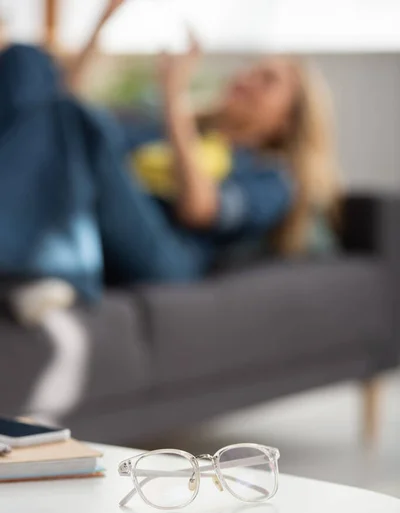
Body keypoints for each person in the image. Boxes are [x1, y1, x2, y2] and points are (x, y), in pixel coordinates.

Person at [0, 0, 341, 300]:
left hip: (169, 256)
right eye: (252, 69)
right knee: (24, 68)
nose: (247, 78)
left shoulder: (272, 176)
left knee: (36, 76)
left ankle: (51, 264)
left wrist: (174, 97)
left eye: (267, 81)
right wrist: (105, 19)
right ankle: (39, 261)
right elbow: (70, 126)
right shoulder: (165, 131)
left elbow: (200, 209)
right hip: (115, 222)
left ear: (286, 122)